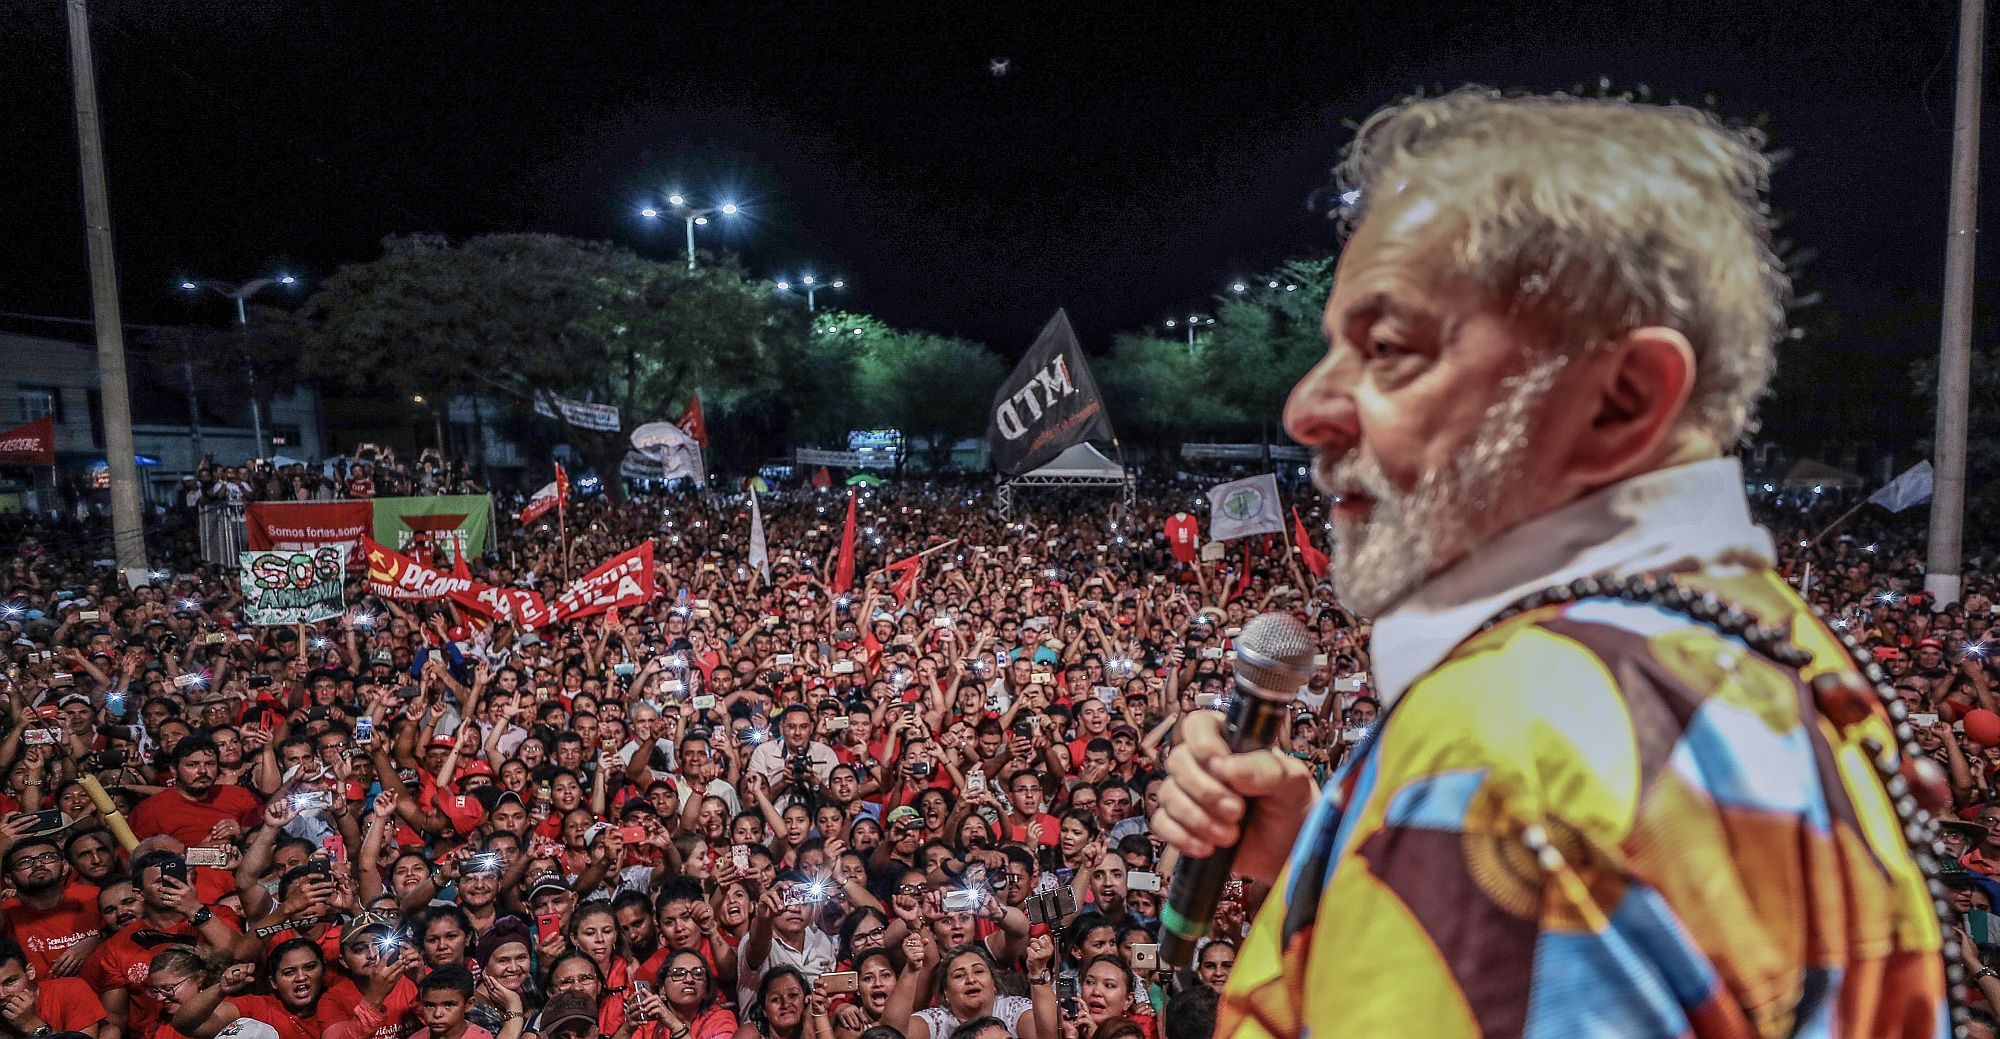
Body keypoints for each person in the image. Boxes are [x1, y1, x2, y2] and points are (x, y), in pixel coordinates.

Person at [1153, 87, 1950, 1036]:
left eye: (1391, 348)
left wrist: (1433, 836)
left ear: (1619, 398)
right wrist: (1336, 862)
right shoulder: (1773, 648)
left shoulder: (1505, 755)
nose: (1307, 409)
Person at [0, 939, 107, 1039]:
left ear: (30, 972)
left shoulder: (70, 990)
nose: (2, 995)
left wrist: (31, 1024)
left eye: (10, 982)